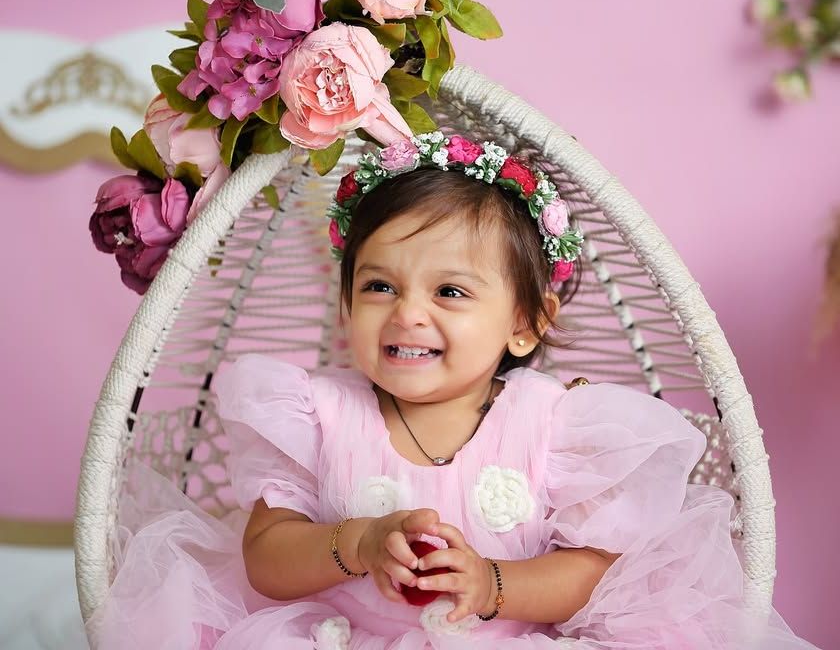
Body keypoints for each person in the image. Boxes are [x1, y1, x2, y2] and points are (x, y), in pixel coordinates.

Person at [88, 132, 820, 648]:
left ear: (526, 324)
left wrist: (495, 583)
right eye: (379, 286)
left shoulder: (555, 424)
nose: (408, 313)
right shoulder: (317, 413)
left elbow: (591, 572)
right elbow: (266, 558)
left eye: (449, 291)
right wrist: (356, 542)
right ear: (344, 309)